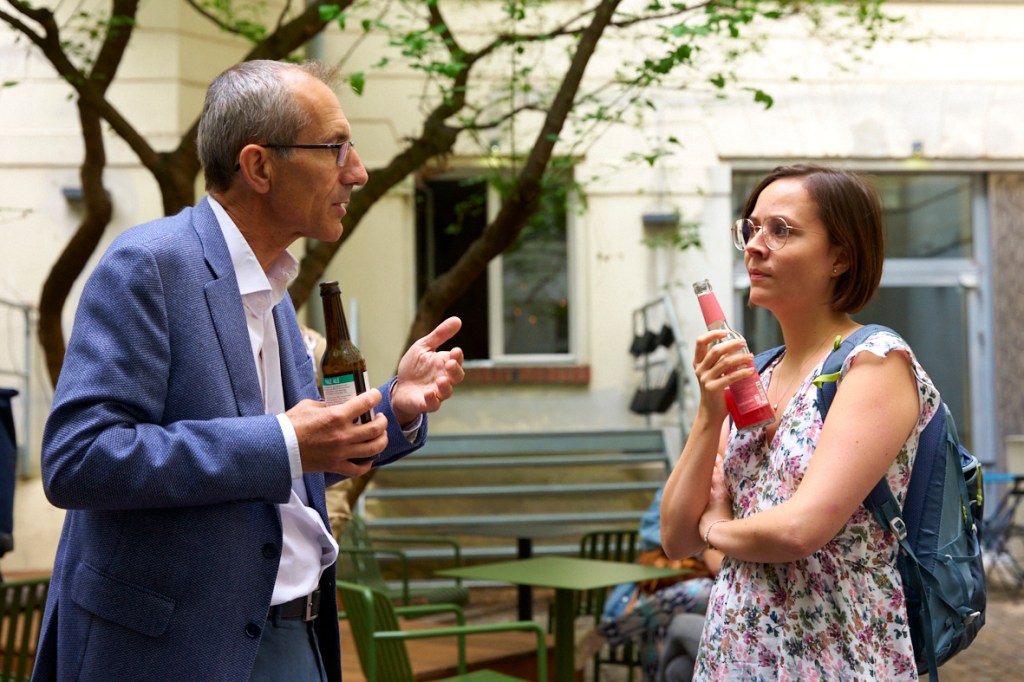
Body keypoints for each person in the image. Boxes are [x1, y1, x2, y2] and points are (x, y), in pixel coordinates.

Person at [32, 59, 465, 682]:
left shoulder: (273, 286)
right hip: (173, 652)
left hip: (299, 631)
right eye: (335, 148)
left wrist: (394, 407)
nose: (358, 171)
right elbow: (79, 459)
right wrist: (284, 441)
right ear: (259, 166)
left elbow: (298, 457)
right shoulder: (147, 264)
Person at [660, 164, 939, 680]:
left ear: (840, 257)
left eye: (780, 230)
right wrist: (709, 410)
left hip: (831, 657)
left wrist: (715, 527)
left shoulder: (873, 363)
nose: (754, 246)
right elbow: (676, 538)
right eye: (751, 228)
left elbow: (797, 530)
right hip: (732, 659)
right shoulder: (758, 373)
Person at [575, 486, 723, 682]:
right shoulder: (691, 485)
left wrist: (704, 543)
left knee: (692, 598)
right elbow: (655, 533)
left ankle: (605, 633)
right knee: (661, 622)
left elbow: (718, 565)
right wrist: (700, 545)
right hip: (668, 588)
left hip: (708, 600)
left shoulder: (739, 493)